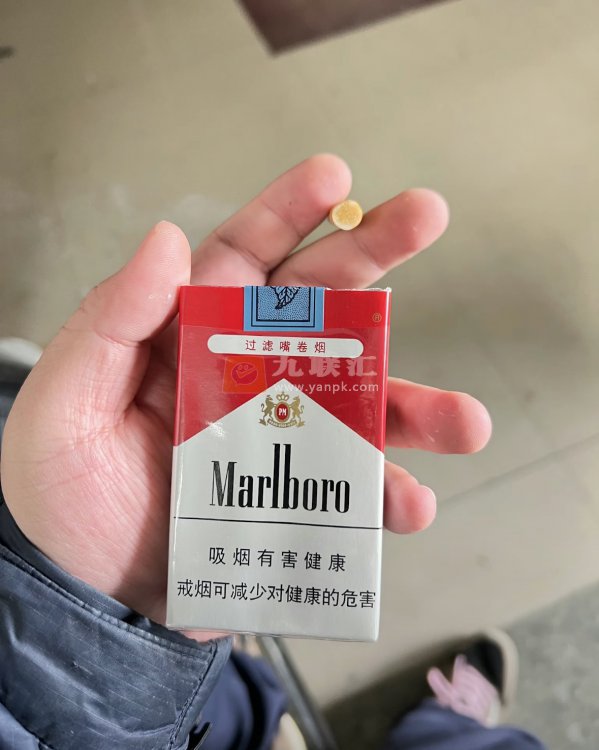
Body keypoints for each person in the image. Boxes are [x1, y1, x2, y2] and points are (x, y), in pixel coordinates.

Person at [0, 155, 545, 749]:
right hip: (125, 701)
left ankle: (242, 679)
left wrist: (80, 617)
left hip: (118, 693)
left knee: (233, 692)